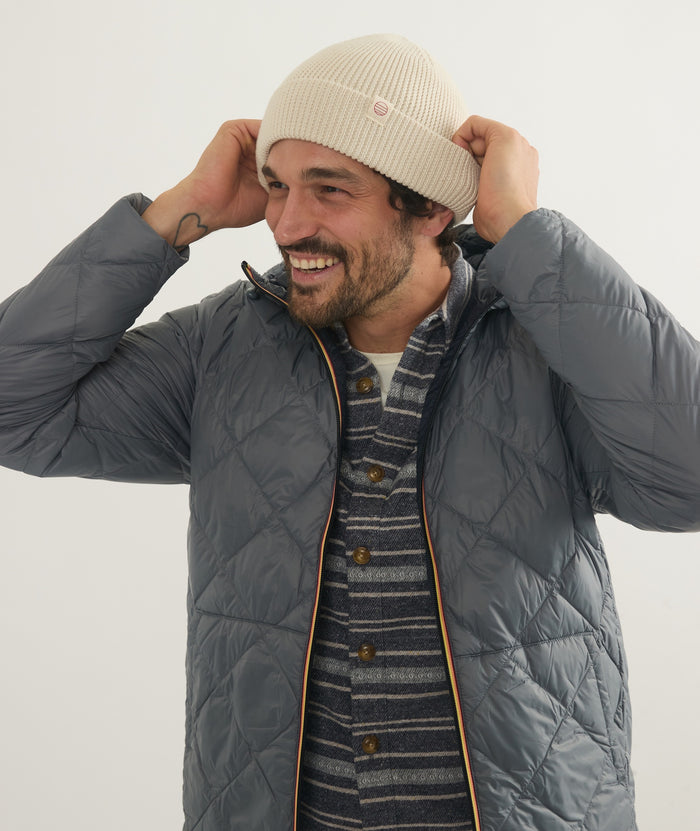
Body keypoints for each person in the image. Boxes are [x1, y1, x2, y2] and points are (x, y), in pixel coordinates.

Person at [0, 32, 698, 831]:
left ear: (430, 206)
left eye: (329, 189)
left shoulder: (547, 339)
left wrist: (528, 234)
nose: (286, 222)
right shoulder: (219, 348)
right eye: (276, 185)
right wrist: (175, 214)